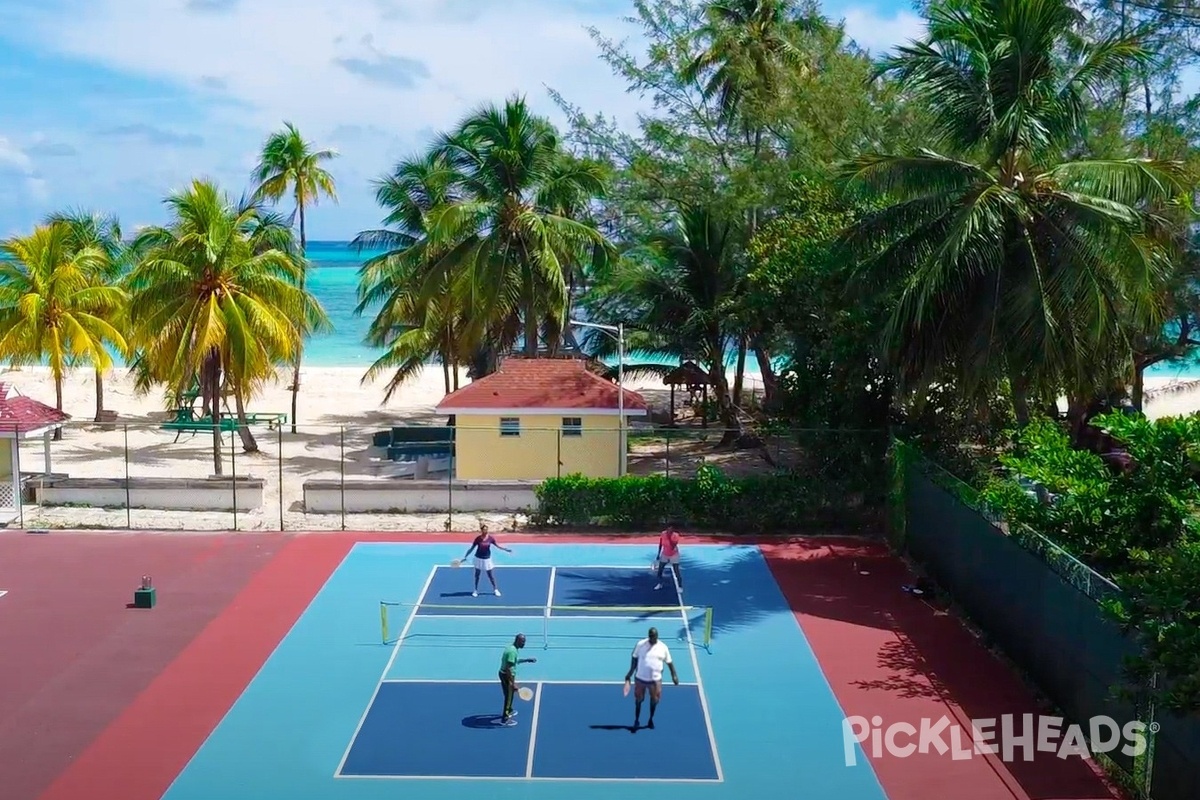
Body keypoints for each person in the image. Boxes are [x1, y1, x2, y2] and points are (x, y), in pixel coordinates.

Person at [623, 626, 678, 730]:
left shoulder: (663, 647)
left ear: (657, 636)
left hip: (655, 681)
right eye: (650, 636)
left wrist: (674, 675)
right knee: (638, 700)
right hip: (640, 679)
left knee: (654, 701)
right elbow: (634, 659)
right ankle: (636, 720)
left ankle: (650, 719)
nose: (652, 638)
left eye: (654, 636)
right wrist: (630, 673)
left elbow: (669, 662)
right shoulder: (640, 645)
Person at [498, 633, 536, 726]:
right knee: (509, 696)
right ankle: (505, 718)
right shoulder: (512, 652)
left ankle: (509, 709)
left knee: (509, 694)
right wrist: (512, 682)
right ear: (517, 641)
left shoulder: (512, 648)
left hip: (504, 674)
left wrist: (527, 660)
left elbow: (514, 661)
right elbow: (508, 668)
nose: (524, 644)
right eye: (523, 642)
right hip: (507, 675)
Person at [463, 524, 511, 597]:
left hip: (487, 559)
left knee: (490, 575)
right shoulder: (478, 539)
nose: (485, 531)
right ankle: (475, 590)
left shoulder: (490, 538)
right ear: (481, 530)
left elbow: (497, 546)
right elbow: (472, 548)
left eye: (486, 529)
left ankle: (495, 589)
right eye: (484, 529)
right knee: (477, 575)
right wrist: (466, 555)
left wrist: (505, 549)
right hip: (478, 558)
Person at [654, 525, 682, 591]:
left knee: (676, 571)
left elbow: (672, 546)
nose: (669, 531)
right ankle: (660, 584)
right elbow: (660, 543)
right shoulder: (663, 534)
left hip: (674, 555)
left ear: (673, 530)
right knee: (660, 571)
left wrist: (669, 538)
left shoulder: (676, 535)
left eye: (671, 529)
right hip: (665, 554)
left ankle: (680, 586)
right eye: (668, 529)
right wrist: (658, 554)